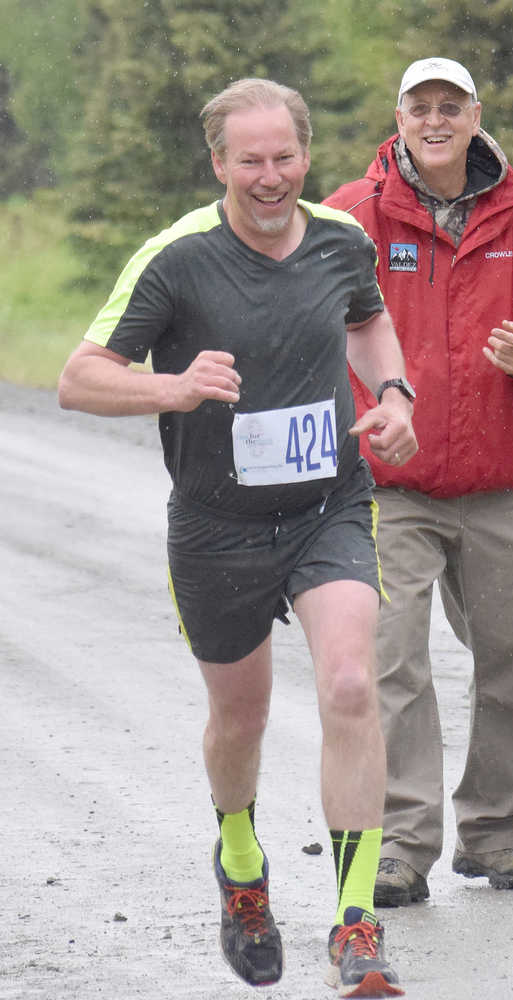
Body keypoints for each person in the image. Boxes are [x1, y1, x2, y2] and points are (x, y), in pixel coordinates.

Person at [58, 77, 418, 997]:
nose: (269, 177)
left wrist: (391, 396)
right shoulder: (175, 258)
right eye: (249, 160)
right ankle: (241, 860)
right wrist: (172, 387)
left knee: (347, 683)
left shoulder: (340, 240)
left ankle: (354, 922)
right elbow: (80, 378)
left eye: (285, 157)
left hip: (328, 505)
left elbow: (369, 319)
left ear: (307, 154)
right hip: (216, 524)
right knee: (241, 717)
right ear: (217, 162)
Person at [324, 57, 513, 904]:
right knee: (392, 665)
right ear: (396, 117)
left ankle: (496, 832)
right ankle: (403, 845)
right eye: (417, 106)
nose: (433, 120)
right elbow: (308, 321)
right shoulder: (351, 213)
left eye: (449, 106)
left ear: (475, 115)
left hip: (495, 483)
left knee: (512, 663)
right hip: (387, 486)